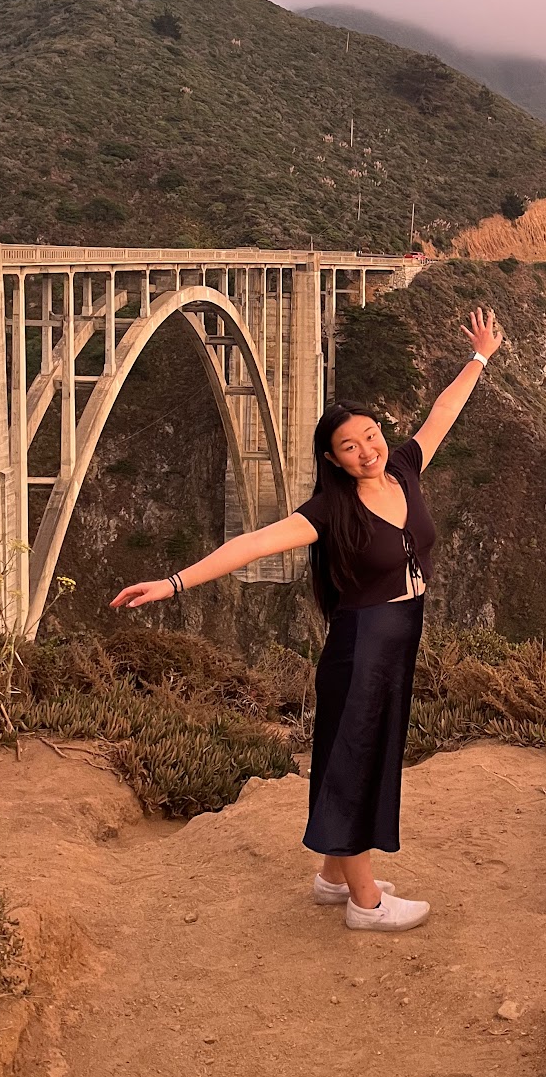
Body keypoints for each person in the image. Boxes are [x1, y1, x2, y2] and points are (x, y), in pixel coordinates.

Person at [110, 305, 504, 933]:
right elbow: (250, 544)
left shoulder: (404, 467)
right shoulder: (328, 510)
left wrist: (479, 357)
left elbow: (442, 415)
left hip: (400, 637)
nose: (367, 449)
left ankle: (330, 876)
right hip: (363, 644)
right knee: (356, 758)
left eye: (371, 436)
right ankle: (366, 902)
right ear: (334, 458)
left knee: (361, 751)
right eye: (351, 446)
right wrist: (174, 582)